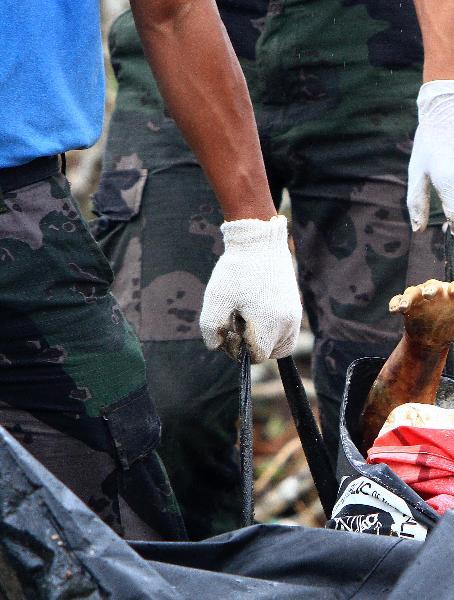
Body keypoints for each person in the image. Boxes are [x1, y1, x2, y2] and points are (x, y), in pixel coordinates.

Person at [92, 0, 454, 539]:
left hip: (373, 52)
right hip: (179, 59)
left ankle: (389, 577)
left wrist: (452, 87)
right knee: (159, 402)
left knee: (407, 417)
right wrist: (249, 231)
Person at [0, 0, 302, 540]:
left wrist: (254, 232)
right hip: (22, 219)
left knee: (115, 538)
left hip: (18, 214)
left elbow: (173, 9)